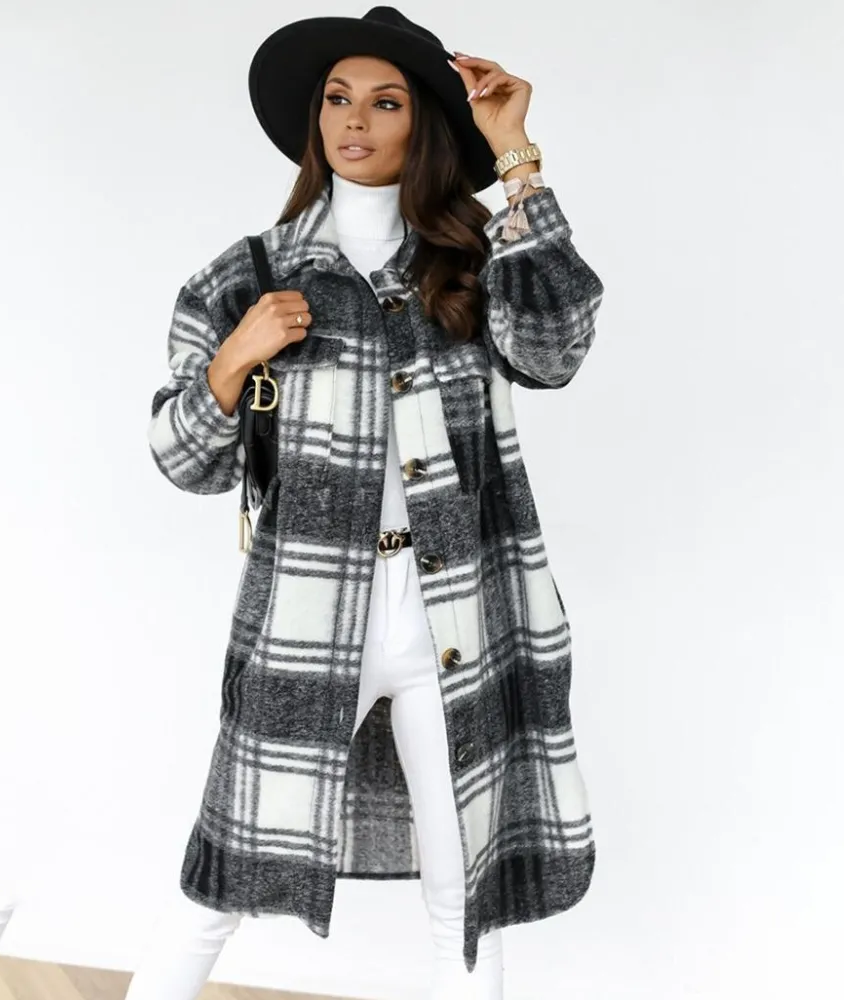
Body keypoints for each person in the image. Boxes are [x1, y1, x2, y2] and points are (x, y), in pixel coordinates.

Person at [135, 6, 605, 1000]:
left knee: (464, 899)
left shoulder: (473, 264)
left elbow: (555, 349)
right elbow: (184, 461)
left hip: (456, 618)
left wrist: (516, 155)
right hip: (307, 621)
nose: (355, 119)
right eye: (338, 98)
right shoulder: (245, 276)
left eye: (386, 102)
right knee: (222, 875)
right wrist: (234, 360)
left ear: (422, 124)